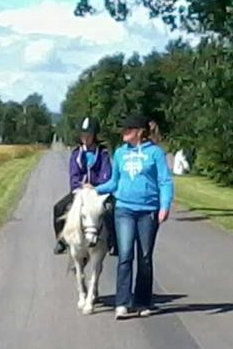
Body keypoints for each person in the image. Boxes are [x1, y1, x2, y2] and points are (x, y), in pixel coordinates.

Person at [88, 113, 173, 318]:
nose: (124, 132)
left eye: (128, 129)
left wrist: (164, 206)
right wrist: (95, 189)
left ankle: (142, 301)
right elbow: (114, 182)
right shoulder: (120, 153)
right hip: (124, 209)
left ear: (140, 132)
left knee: (144, 257)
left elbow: (165, 181)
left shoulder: (155, 153)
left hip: (148, 211)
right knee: (125, 255)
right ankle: (122, 302)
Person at [51, 115, 115, 255]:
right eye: (83, 135)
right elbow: (74, 175)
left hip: (98, 191)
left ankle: (113, 241)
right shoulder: (76, 153)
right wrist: (81, 187)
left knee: (111, 210)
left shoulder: (103, 153)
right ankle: (61, 240)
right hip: (80, 191)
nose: (85, 138)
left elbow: (106, 174)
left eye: (88, 135)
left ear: (94, 136)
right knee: (59, 208)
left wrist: (95, 187)